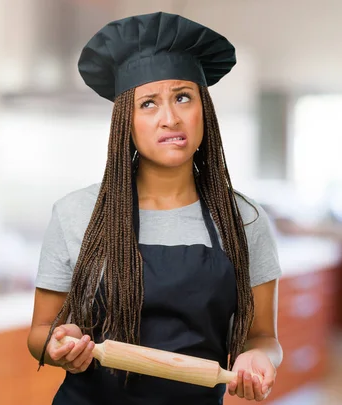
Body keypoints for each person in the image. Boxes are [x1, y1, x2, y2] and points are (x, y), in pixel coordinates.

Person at [26, 11, 283, 405]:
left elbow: (264, 337)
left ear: (204, 111)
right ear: (125, 122)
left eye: (183, 97)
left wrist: (258, 357)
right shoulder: (76, 212)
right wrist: (59, 346)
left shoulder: (244, 220)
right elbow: (41, 331)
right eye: (148, 104)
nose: (170, 118)